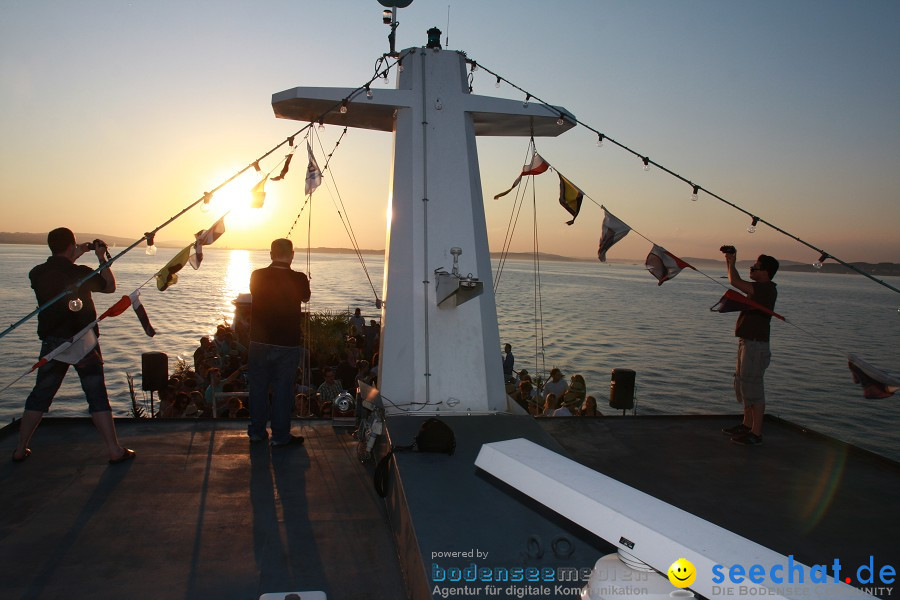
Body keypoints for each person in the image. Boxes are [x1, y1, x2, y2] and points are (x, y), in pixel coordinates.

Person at [13, 228, 134, 464]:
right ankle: (113, 450)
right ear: (71, 246)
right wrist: (100, 258)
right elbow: (110, 287)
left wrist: (73, 254)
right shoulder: (81, 273)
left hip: (53, 343)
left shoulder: (36, 273)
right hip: (83, 343)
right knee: (97, 395)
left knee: (40, 396)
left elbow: (59, 271)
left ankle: (20, 448)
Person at [247, 238, 311, 446]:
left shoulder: (257, 275)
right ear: (292, 254)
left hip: (258, 341)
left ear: (271, 253)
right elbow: (306, 298)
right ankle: (280, 436)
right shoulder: (299, 278)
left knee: (258, 389)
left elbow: (256, 293)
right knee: (283, 391)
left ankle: (257, 432)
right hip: (287, 343)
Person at [722, 249, 779, 446]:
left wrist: (732, 263)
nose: (752, 268)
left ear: (765, 272)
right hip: (747, 342)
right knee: (744, 382)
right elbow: (737, 281)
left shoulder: (766, 289)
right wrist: (730, 262)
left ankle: (756, 433)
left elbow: (734, 282)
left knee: (754, 387)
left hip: (756, 345)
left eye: (756, 267)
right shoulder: (759, 288)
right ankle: (746, 425)